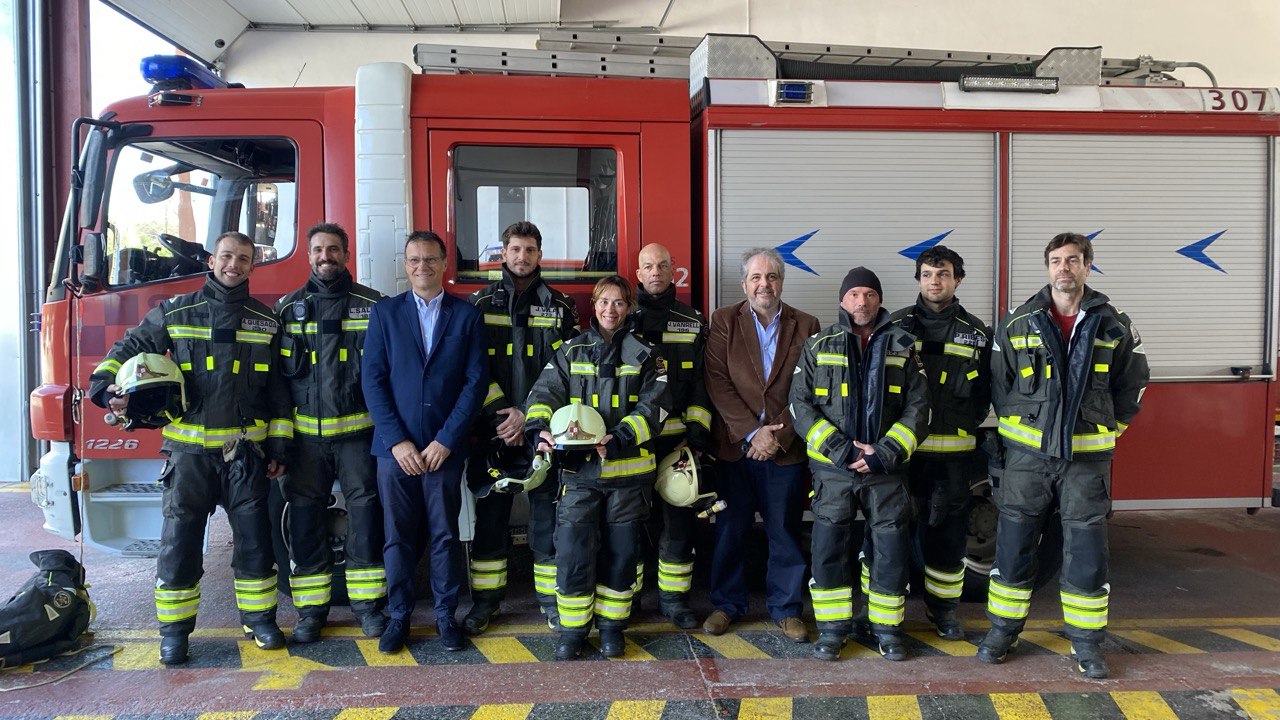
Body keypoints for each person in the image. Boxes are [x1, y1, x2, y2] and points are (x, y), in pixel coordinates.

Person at [88, 231, 293, 666]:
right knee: (178, 546)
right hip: (189, 457)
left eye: (242, 258)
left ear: (252, 266)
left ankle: (260, 622)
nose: (233, 265)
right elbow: (127, 349)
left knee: (256, 545)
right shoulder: (175, 312)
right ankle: (175, 634)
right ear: (212, 260)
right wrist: (106, 389)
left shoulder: (266, 321)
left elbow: (277, 392)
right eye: (226, 257)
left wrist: (278, 445)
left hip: (246, 457)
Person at [976, 232, 1148, 679]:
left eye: (1073, 260)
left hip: (1086, 461)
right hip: (1027, 461)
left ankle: (1088, 643)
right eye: (1056, 260)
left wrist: (1110, 431)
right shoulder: (1018, 322)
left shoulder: (1114, 324)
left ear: (1088, 266)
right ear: (1047, 268)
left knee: (1087, 554)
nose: (1064, 268)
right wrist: (1020, 438)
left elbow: (1133, 387)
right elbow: (999, 384)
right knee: (1012, 549)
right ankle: (1002, 632)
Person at [524, 275, 670, 660]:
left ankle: (611, 628)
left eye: (619, 303)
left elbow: (655, 408)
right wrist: (539, 430)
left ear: (629, 308)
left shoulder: (648, 355)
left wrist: (619, 437)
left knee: (622, 555)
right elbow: (542, 395)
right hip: (579, 475)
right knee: (572, 550)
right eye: (604, 302)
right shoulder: (571, 350)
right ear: (594, 304)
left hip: (628, 476)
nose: (610, 310)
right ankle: (572, 631)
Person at [790, 267, 929, 662]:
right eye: (854, 295)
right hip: (834, 471)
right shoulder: (819, 344)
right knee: (829, 548)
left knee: (890, 551)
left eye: (869, 294)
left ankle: (886, 631)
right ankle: (833, 632)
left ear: (879, 300)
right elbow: (799, 405)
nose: (862, 302)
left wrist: (883, 454)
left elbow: (919, 409)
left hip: (885, 471)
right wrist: (841, 450)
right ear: (842, 300)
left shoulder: (904, 346)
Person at [362, 230, 487, 654]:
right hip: (394, 451)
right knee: (396, 536)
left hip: (442, 450)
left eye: (430, 259)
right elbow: (373, 382)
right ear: (405, 264)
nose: (422, 266)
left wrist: (447, 440)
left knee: (444, 535)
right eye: (414, 259)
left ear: (444, 263)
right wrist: (397, 442)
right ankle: (399, 618)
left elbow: (475, 384)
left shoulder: (466, 316)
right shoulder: (384, 314)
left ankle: (444, 618)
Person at [464, 221, 579, 635]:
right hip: (494, 431)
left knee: (546, 518)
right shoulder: (478, 305)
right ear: (504, 253)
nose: (522, 257)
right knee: (490, 518)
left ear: (539, 255)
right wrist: (503, 413)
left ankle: (549, 602)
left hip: (542, 432)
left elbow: (568, 375)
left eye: (530, 250)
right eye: (515, 249)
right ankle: (486, 604)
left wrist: (527, 415)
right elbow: (471, 370)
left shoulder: (561, 308)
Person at [275, 223, 388, 642]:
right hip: (305, 442)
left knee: (365, 518)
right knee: (305, 522)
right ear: (309, 256)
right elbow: (277, 384)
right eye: (319, 249)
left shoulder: (374, 306)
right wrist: (280, 440)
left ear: (346, 255)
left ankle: (368, 608)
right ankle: (310, 612)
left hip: (360, 436)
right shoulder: (287, 310)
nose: (327, 256)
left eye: (334, 249)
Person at [702, 248, 820, 643]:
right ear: (744, 284)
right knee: (731, 529)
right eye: (756, 277)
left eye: (771, 276)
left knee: (784, 530)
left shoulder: (807, 324)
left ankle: (786, 610)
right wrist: (754, 433)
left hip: (785, 449)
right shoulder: (723, 321)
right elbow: (717, 382)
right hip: (736, 447)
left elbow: (810, 389)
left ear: (782, 282)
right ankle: (726, 605)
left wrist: (778, 434)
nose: (763, 284)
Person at [885, 246, 992, 640]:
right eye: (928, 274)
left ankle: (944, 612)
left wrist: (959, 427)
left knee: (947, 542)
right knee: (889, 537)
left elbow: (985, 396)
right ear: (918, 279)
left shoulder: (977, 334)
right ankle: (886, 615)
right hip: (901, 459)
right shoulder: (894, 328)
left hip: (953, 461)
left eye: (943, 274)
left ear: (957, 279)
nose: (935, 281)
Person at [628, 243, 712, 629]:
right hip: (632, 442)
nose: (656, 272)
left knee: (678, 526)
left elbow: (702, 385)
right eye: (648, 266)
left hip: (677, 443)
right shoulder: (623, 318)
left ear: (674, 269)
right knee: (627, 524)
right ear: (638, 272)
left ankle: (674, 601)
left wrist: (696, 435)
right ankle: (627, 598)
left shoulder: (693, 321)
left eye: (663, 264)